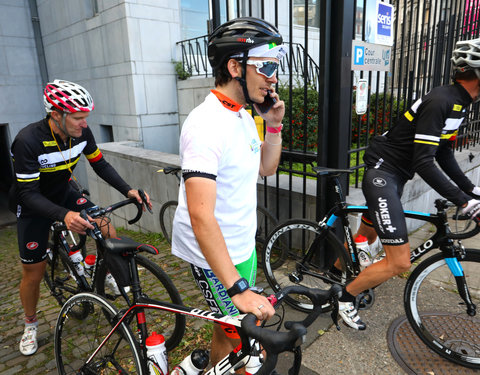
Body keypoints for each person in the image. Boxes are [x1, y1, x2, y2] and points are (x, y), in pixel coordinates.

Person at [337, 38, 480, 330]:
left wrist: (470, 189)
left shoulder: (460, 104)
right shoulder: (443, 101)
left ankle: (335, 268)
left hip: (398, 174)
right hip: (384, 171)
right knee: (400, 261)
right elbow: (423, 162)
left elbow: (442, 151)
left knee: (367, 234)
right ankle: (344, 298)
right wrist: (463, 201)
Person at [171, 17, 286, 368]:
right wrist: (238, 288)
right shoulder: (205, 125)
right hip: (212, 255)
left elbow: (266, 167)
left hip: (242, 245)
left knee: (227, 330)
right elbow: (200, 215)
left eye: (276, 67)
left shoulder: (241, 115)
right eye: (266, 66)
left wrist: (274, 125)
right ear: (235, 66)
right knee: (249, 342)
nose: (274, 77)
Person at [9, 79, 152, 355]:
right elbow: (28, 194)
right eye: (78, 118)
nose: (84, 124)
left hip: (63, 193)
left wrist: (128, 189)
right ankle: (30, 323)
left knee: (106, 226)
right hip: (32, 205)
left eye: (86, 117)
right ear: (56, 115)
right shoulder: (27, 141)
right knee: (33, 273)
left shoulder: (81, 134)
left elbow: (100, 164)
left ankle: (108, 273)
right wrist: (65, 215)